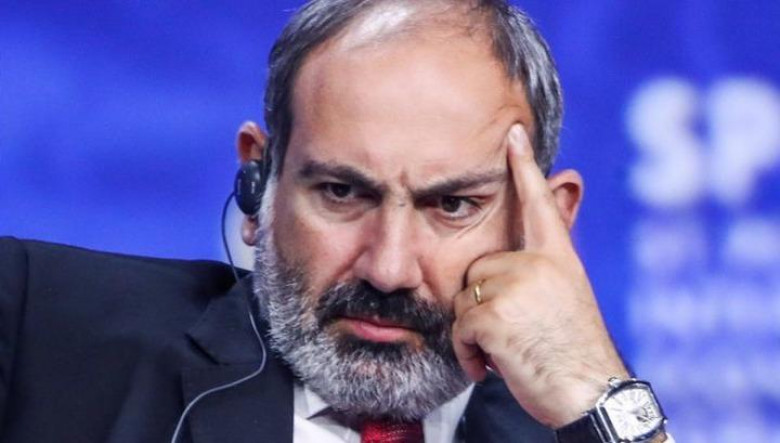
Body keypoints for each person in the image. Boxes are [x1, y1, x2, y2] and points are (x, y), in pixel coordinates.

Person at [0, 0, 670, 442]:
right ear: (258, 182)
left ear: (545, 223)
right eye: (343, 192)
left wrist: (599, 395)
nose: (388, 268)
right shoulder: (40, 326)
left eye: (451, 205)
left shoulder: (579, 427)